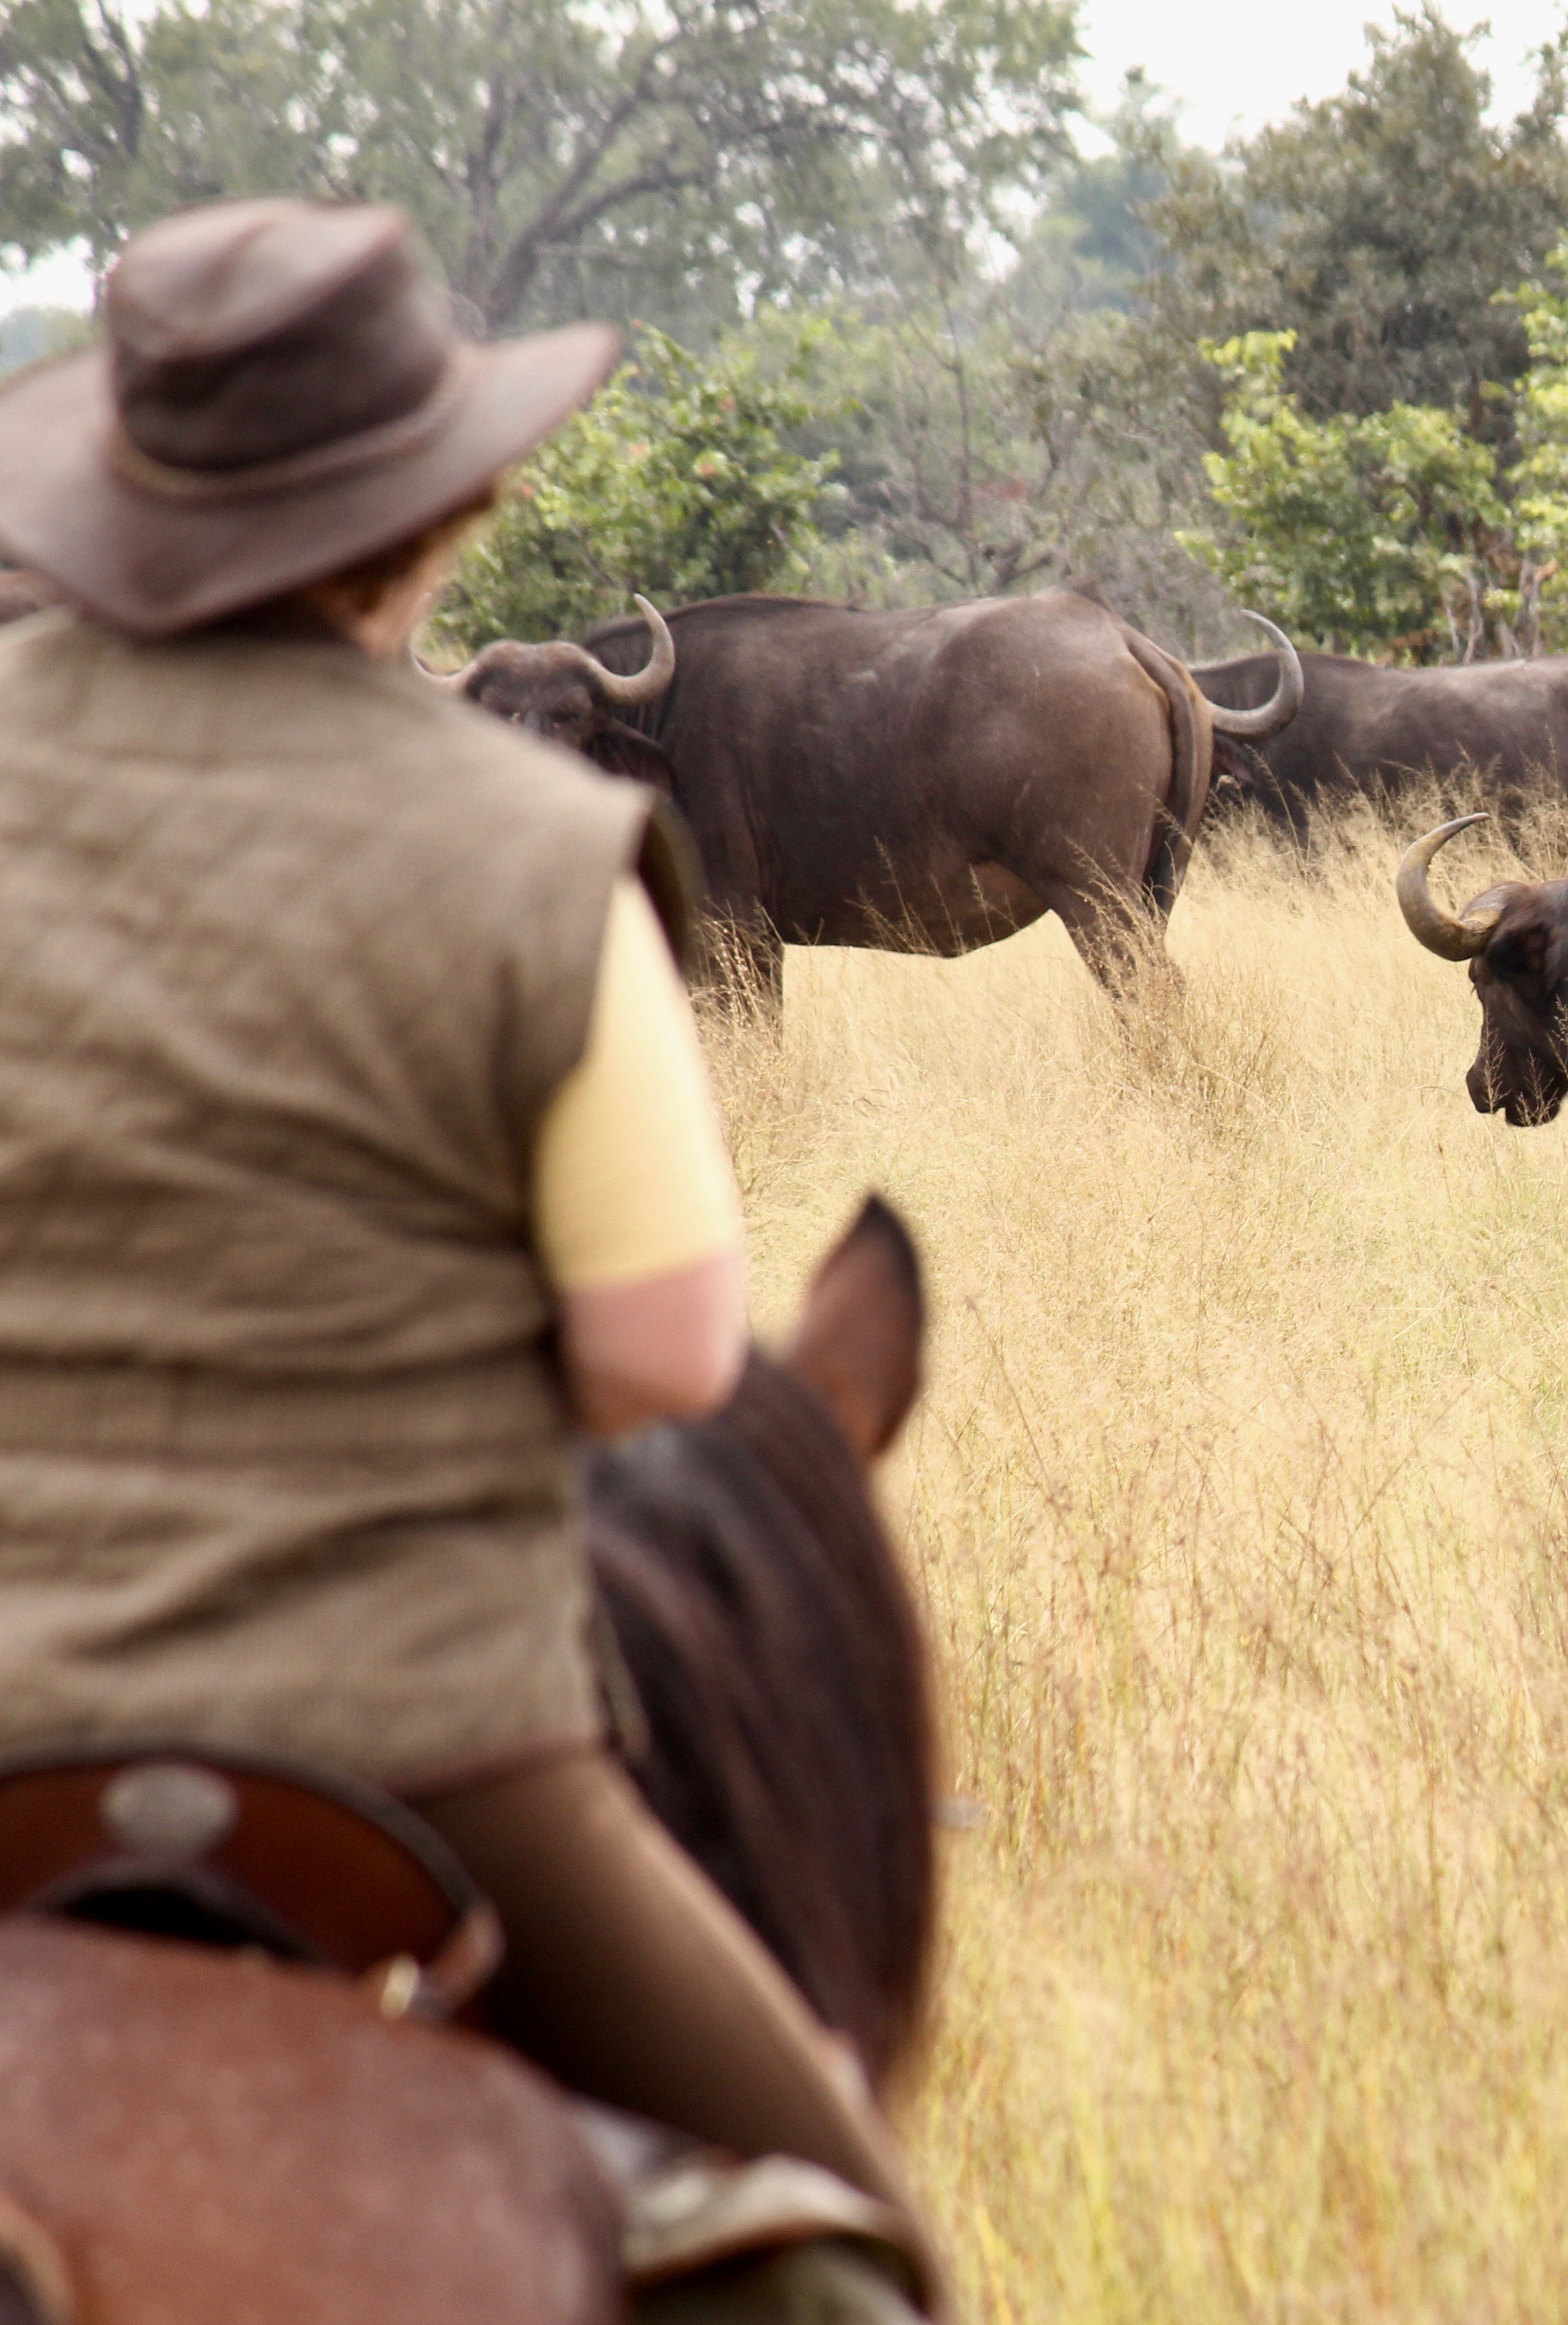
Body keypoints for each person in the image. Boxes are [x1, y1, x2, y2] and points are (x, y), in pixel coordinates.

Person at [0, 198, 934, 2300]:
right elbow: (669, 1360)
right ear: (462, 500)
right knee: (855, 2242)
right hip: (430, 1751)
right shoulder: (536, 854)